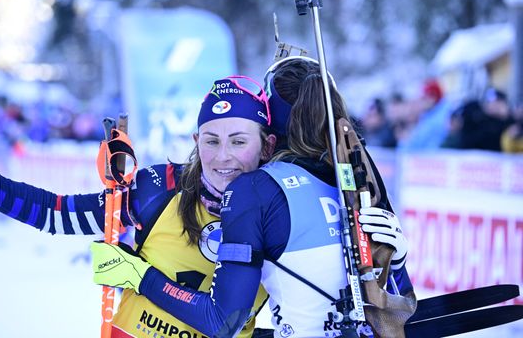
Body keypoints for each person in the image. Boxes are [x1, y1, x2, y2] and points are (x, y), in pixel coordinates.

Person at [0, 75, 276, 338]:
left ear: (266, 146)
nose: (222, 157)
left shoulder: (281, 213)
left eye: (239, 141)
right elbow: (57, 213)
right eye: (211, 141)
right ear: (196, 141)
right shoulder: (159, 189)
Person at [91, 57, 416, 338]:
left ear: (271, 132)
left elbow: (222, 322)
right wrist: (397, 262)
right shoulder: (355, 179)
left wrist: (139, 276)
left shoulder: (256, 190)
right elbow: (397, 306)